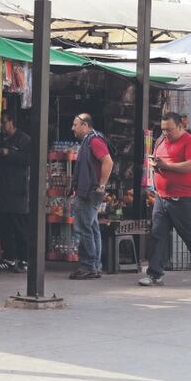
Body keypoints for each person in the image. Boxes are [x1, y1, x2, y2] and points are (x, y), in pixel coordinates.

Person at [140, 111, 191, 287]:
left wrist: (166, 166)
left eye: (169, 130)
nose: (166, 133)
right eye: (163, 130)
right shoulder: (161, 141)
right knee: (157, 235)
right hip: (162, 197)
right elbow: (160, 162)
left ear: (180, 126)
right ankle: (155, 273)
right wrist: (156, 166)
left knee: (190, 235)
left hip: (184, 198)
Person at [0, 112, 32, 273]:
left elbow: (28, 160)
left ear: (12, 122)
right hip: (0, 191)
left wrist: (10, 153)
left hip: (17, 191)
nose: (2, 126)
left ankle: (24, 259)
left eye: (4, 122)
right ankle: (9, 258)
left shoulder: (24, 140)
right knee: (2, 226)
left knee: (19, 227)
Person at [69, 114, 113, 280]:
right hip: (88, 190)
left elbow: (108, 162)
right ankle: (94, 266)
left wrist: (101, 185)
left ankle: (88, 266)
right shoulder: (90, 140)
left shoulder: (94, 141)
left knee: (84, 228)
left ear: (85, 125)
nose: (73, 128)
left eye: (76, 125)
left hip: (89, 192)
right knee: (92, 228)